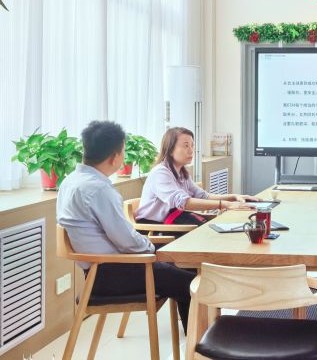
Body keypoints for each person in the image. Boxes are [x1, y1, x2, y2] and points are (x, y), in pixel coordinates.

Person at [57, 121, 195, 331]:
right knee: (194, 283)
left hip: (99, 271)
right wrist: (152, 247)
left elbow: (123, 238)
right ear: (115, 157)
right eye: (123, 151)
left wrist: (151, 247)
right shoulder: (99, 189)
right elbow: (126, 240)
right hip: (113, 275)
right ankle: (198, 342)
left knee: (182, 261)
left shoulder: (70, 182)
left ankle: (194, 339)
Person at [135, 127, 257, 226]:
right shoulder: (160, 173)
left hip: (171, 221)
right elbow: (183, 202)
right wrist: (225, 204)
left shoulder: (182, 172)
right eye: (186, 146)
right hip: (154, 227)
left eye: (192, 145)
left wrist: (234, 197)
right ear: (170, 150)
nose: (191, 150)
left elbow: (204, 196)